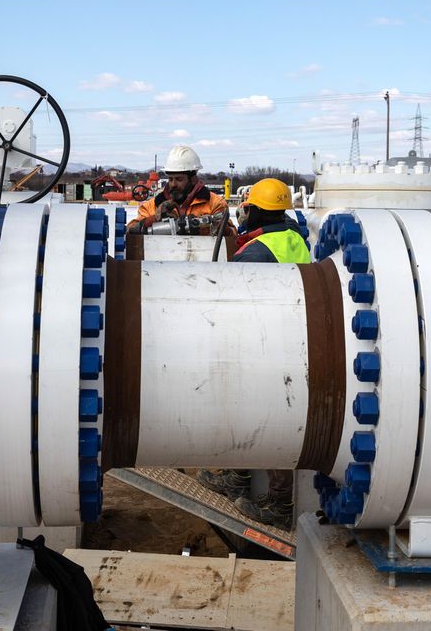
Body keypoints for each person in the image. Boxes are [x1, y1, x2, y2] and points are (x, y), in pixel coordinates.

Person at [199, 177, 309, 529]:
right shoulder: (294, 238)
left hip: (264, 344)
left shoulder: (257, 250)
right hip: (291, 339)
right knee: (264, 413)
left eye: (247, 208)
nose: (243, 213)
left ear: (258, 210)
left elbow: (228, 300)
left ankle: (275, 502)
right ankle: (240, 476)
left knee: (266, 418)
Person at [127, 145, 234, 236]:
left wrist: (221, 228)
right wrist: (154, 219)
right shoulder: (153, 206)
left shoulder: (215, 204)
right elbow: (130, 231)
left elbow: (233, 237)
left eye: (179, 179)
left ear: (193, 179)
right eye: (170, 179)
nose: (173, 184)